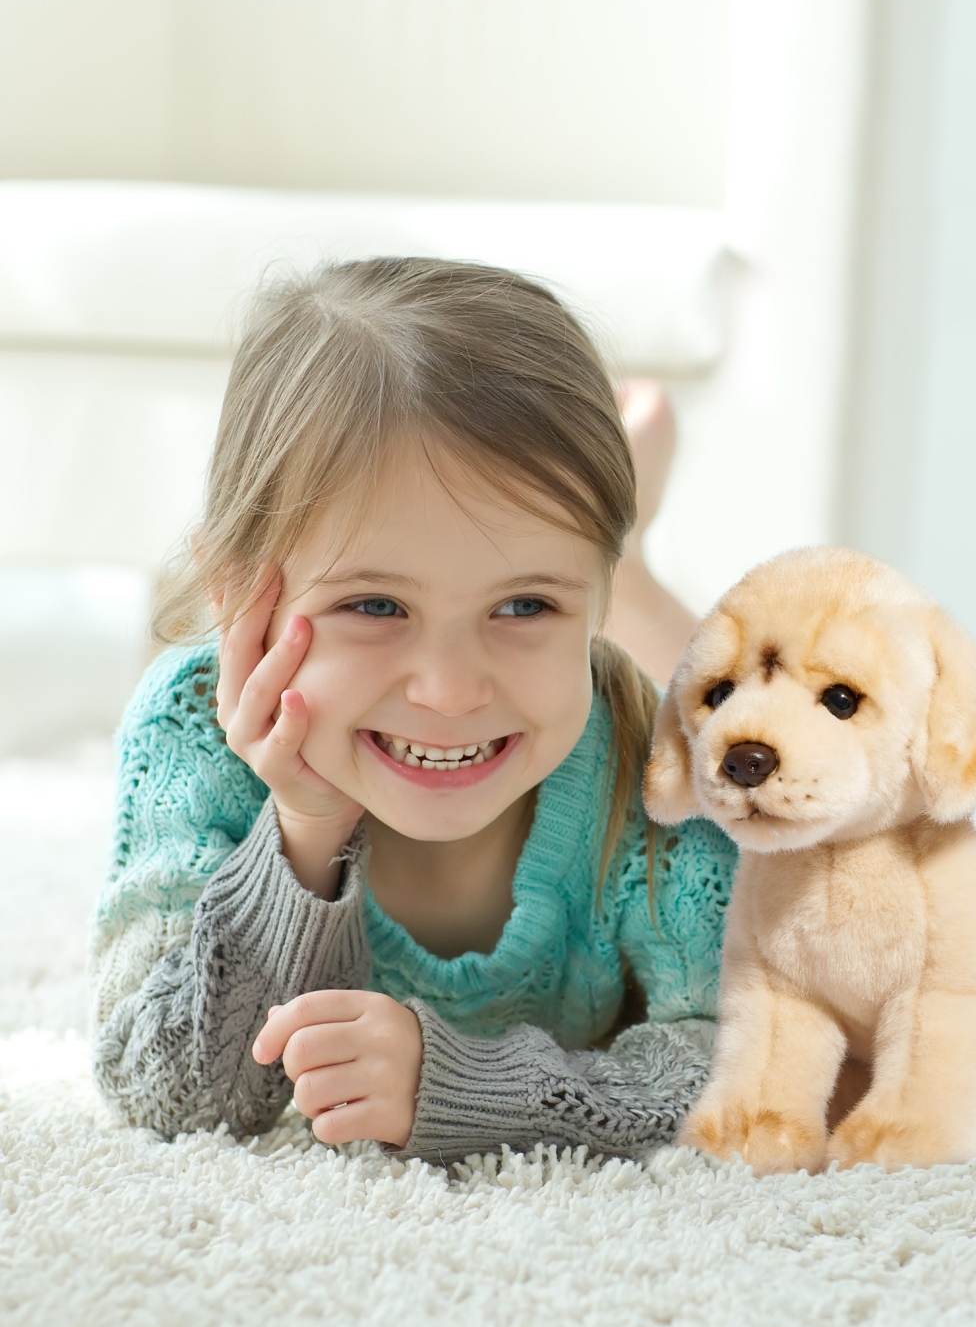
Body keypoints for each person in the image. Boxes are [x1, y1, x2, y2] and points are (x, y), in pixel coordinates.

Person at [88, 257, 736, 1163]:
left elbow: (746, 1063)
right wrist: (301, 835)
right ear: (242, 594)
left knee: (748, 722)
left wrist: (466, 1084)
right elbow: (165, 1091)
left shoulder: (648, 760)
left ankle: (630, 557)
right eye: (377, 605)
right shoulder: (189, 728)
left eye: (524, 605)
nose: (450, 689)